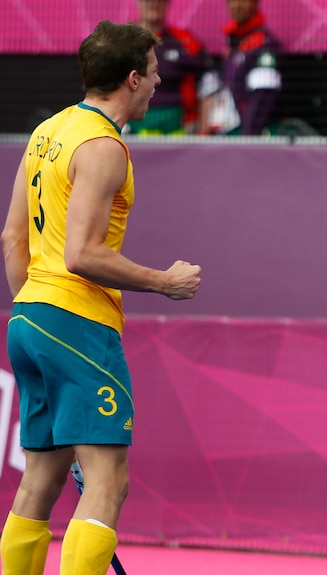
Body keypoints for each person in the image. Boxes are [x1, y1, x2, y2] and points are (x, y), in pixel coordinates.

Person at [0, 20, 202, 575]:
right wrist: (166, 281)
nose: (160, 83)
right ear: (132, 79)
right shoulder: (104, 147)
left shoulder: (48, 130)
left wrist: (39, 313)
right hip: (77, 321)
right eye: (156, 73)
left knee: (38, 484)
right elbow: (82, 255)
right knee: (109, 485)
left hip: (30, 317)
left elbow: (12, 238)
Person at [126, 0, 211, 135]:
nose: (154, 4)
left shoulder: (187, 42)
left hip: (179, 128)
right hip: (133, 127)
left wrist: (204, 130)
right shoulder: (123, 42)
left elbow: (208, 88)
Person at [200, 0, 282, 135]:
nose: (236, 5)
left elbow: (262, 99)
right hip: (230, 131)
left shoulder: (264, 45)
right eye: (232, 1)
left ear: (255, 3)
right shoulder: (233, 44)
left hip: (253, 135)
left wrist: (246, 139)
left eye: (243, 1)